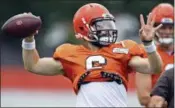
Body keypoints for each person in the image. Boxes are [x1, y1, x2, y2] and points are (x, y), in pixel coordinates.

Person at [22, 3, 162, 107]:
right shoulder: (71, 54)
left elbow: (153, 68)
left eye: (109, 25)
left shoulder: (122, 50)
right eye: (101, 26)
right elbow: (33, 65)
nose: (107, 30)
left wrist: (149, 44)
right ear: (83, 29)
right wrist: (29, 39)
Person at [135, 3, 174, 107]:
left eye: (170, 27)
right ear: (154, 27)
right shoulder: (145, 52)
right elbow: (144, 98)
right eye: (162, 27)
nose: (167, 31)